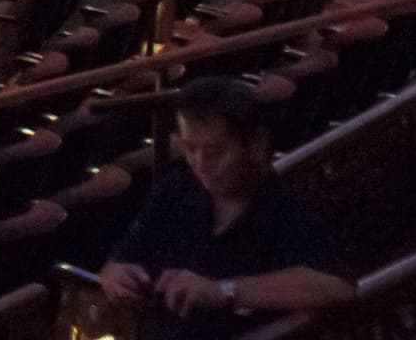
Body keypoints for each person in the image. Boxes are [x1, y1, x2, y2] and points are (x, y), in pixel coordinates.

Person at [96, 79, 359, 330]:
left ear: (256, 145)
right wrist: (116, 274)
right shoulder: (176, 189)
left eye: (214, 152)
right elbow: (123, 257)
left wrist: (223, 291)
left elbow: (337, 287)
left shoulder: (286, 206)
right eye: (190, 149)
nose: (200, 164)